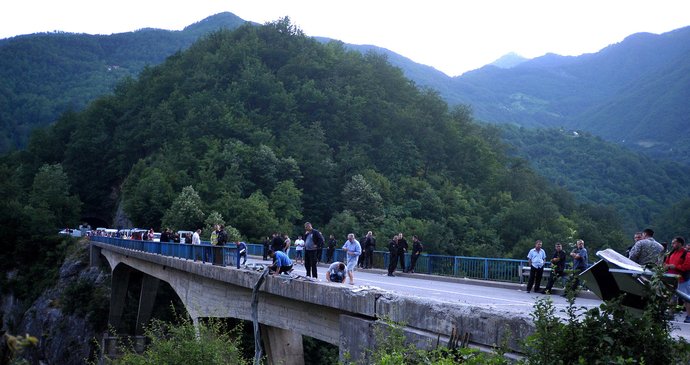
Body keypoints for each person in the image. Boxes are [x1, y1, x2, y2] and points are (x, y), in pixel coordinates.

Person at [663, 237, 690, 323]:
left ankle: (689, 316)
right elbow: (665, 263)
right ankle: (671, 314)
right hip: (671, 279)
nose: (672, 244)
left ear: (680, 243)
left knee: (686, 298)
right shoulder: (671, 253)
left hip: (682, 280)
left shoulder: (686, 254)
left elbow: (687, 266)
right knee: (671, 297)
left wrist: (676, 267)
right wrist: (666, 266)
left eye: (674, 243)